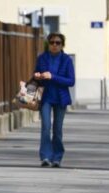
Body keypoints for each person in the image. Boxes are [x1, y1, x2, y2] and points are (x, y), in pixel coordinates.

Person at [33, 32, 75, 168]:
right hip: (45, 97)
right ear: (48, 44)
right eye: (52, 42)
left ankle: (57, 157)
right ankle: (45, 156)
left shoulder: (67, 60)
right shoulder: (42, 58)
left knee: (57, 129)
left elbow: (71, 81)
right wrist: (38, 76)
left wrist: (52, 76)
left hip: (60, 98)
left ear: (62, 45)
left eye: (58, 43)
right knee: (45, 127)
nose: (55, 45)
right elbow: (36, 75)